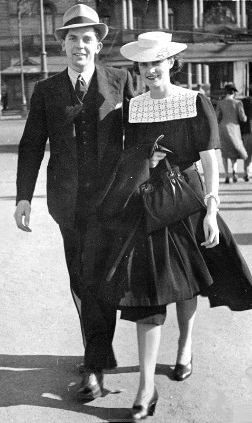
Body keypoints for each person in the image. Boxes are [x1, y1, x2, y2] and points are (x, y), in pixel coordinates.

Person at [95, 32, 252, 421]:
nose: (150, 70)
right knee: (145, 293)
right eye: (144, 64)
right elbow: (130, 159)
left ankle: (185, 346)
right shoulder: (134, 108)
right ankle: (146, 388)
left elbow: (210, 159)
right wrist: (141, 165)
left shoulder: (194, 101)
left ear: (170, 63)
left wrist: (213, 210)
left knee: (188, 282)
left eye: (156, 62)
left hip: (188, 204)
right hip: (148, 206)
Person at [14, 4, 133, 402]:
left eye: (86, 39)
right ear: (62, 45)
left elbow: (139, 135)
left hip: (112, 202)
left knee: (101, 281)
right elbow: (32, 145)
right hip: (69, 205)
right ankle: (94, 354)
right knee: (81, 282)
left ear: (98, 45)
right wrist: (23, 197)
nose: (78, 46)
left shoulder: (121, 80)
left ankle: (94, 365)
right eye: (71, 38)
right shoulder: (47, 90)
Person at [215, 84, 248, 183]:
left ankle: (226, 175)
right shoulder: (238, 103)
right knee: (234, 151)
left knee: (224, 153)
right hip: (234, 129)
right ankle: (234, 171)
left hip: (222, 128)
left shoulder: (220, 103)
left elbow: (216, 117)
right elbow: (243, 118)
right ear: (233, 93)